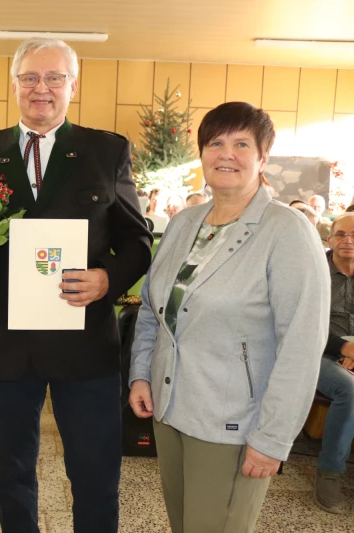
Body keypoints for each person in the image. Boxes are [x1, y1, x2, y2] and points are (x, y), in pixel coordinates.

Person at [0, 38, 152, 533]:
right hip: (3, 344)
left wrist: (107, 279)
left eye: (55, 78)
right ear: (14, 84)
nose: (42, 88)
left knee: (95, 473)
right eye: (31, 78)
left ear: (73, 85)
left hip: (83, 343)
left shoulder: (108, 149)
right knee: (11, 473)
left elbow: (137, 239)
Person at [129, 102, 330, 533]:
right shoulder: (184, 224)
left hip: (234, 424)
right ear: (201, 153)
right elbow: (152, 308)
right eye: (215, 142)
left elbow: (301, 344)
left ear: (263, 157)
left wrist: (273, 438)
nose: (226, 154)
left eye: (242, 144)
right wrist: (141, 373)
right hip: (171, 410)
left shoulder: (287, 232)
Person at [314, 212, 354, 514]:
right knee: (349, 389)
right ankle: (330, 471)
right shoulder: (314, 271)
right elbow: (303, 323)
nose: (348, 241)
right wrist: (343, 347)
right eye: (341, 234)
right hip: (316, 352)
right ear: (330, 239)